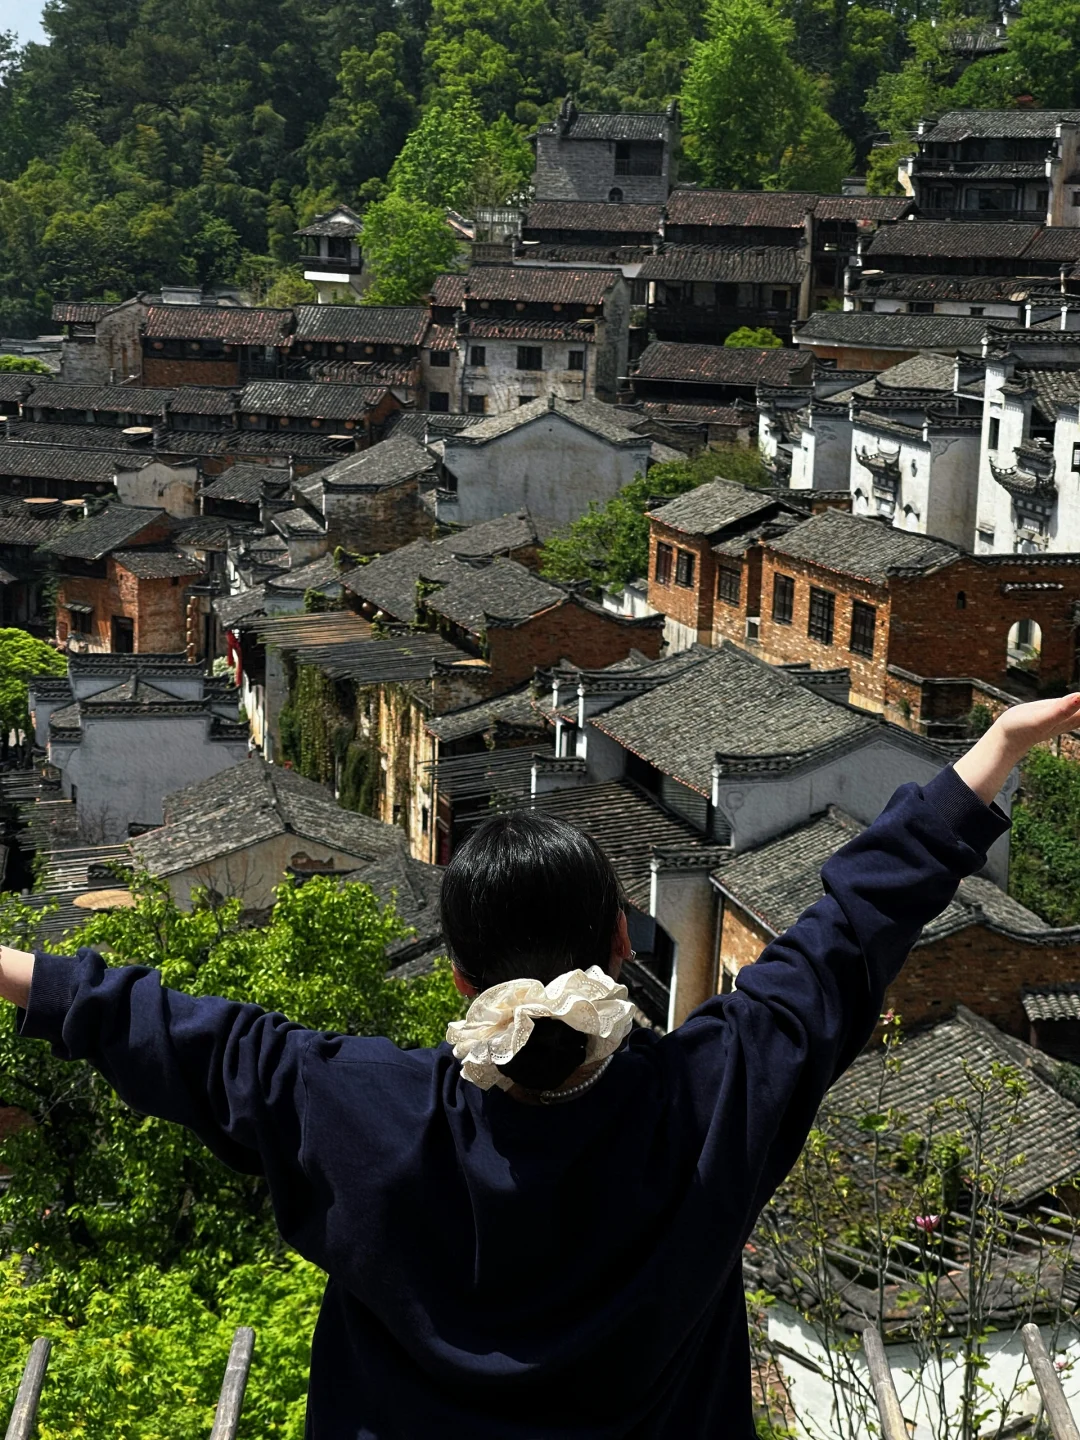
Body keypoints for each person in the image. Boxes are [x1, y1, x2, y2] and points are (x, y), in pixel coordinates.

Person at [2, 694, 1079, 1438]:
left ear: (461, 980)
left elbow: (164, 1027)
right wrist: (993, 751)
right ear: (622, 940)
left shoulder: (360, 1111)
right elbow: (848, 930)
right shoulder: (710, 1100)